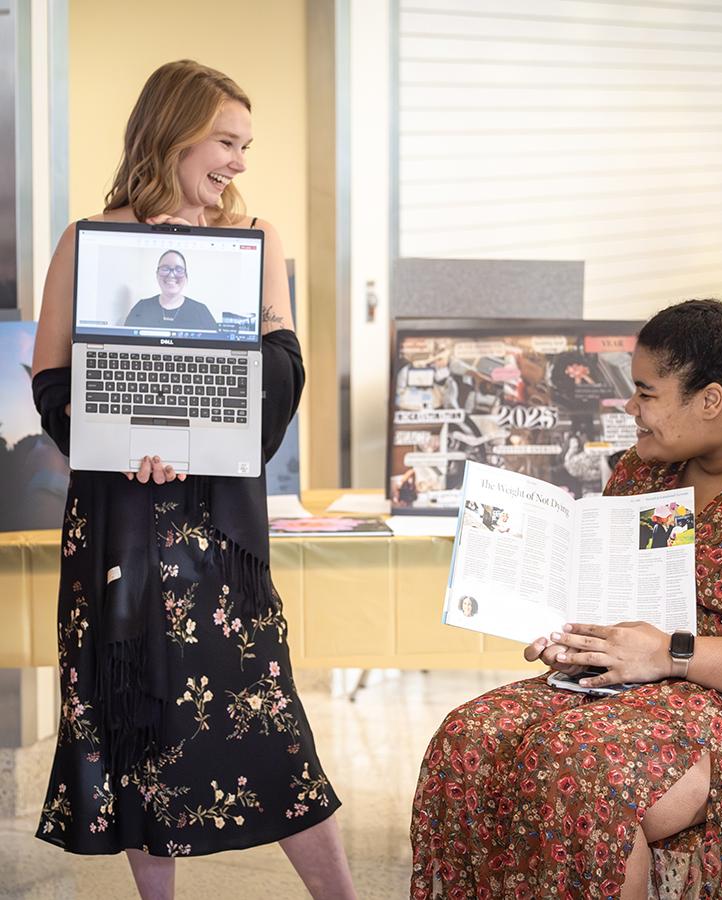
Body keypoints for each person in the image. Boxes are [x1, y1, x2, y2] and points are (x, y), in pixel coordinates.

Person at [410, 298, 722, 899]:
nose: (630, 408)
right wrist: (583, 642)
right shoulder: (646, 470)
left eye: (646, 394)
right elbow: (618, 599)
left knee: (583, 772)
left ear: (710, 400)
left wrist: (668, 655)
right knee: (466, 741)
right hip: (644, 690)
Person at [30, 60, 356, 900]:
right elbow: (52, 383)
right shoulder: (87, 240)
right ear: (172, 133)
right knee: (134, 710)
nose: (240, 163)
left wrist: (194, 437)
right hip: (117, 517)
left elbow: (283, 368)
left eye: (247, 145)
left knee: (268, 716)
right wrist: (120, 437)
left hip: (216, 526)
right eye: (226, 141)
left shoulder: (256, 241)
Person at [123, 250, 219, 329]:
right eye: (165, 268)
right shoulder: (141, 307)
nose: (171, 275)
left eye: (179, 269)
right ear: (157, 274)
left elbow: (216, 346)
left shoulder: (201, 311)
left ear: (186, 277)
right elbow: (125, 342)